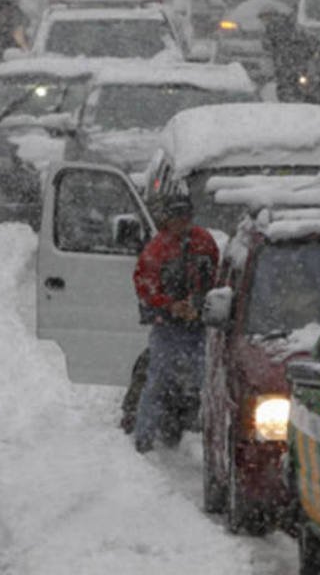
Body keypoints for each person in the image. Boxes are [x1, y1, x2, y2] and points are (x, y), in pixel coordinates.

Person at [132, 193, 219, 453]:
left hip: (201, 327)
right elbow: (144, 287)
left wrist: (200, 304)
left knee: (207, 382)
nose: (181, 222)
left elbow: (217, 278)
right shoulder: (156, 250)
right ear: (167, 219)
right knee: (158, 381)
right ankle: (144, 438)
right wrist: (171, 305)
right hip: (167, 328)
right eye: (176, 217)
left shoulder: (204, 242)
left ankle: (207, 440)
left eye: (185, 216)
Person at [261, 10, 318, 102]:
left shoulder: (299, 32)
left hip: (290, 66)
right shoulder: (286, 31)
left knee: (292, 82)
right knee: (289, 82)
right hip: (290, 65)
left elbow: (312, 47)